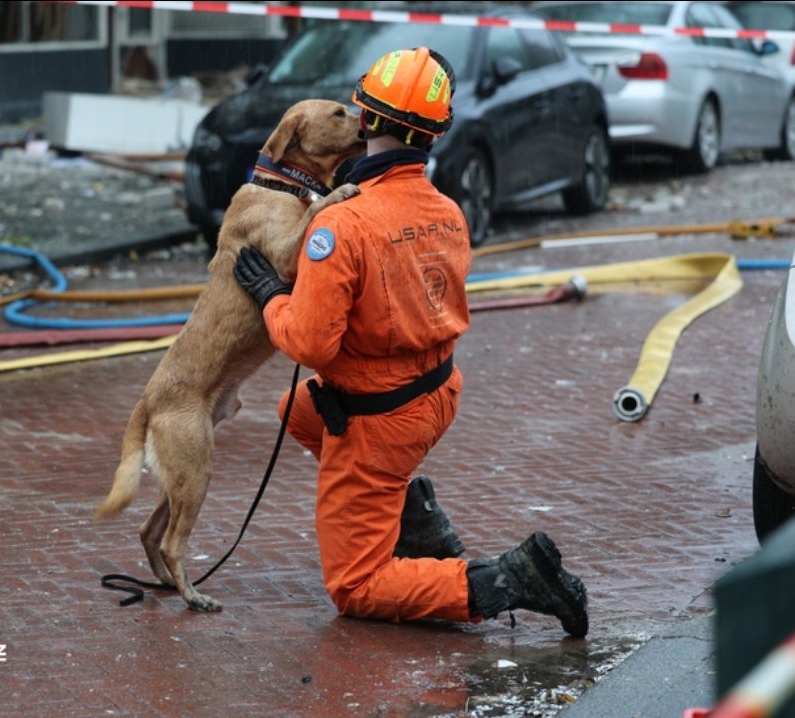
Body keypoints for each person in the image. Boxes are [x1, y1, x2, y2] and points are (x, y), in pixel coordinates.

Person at [233, 47, 588, 636]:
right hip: (437, 394)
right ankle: (413, 518)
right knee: (298, 409)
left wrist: (273, 296)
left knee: (356, 585)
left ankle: (515, 578)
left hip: (379, 420)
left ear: (367, 118)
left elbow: (311, 346)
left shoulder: (341, 224)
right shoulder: (447, 210)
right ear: (434, 135)